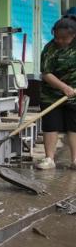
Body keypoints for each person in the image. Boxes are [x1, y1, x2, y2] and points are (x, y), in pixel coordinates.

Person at [36, 14, 76, 170]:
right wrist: (63, 87)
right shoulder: (49, 49)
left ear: (73, 35)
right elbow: (46, 73)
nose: (59, 41)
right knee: (51, 125)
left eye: (64, 38)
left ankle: (75, 159)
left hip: (74, 95)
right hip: (51, 94)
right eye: (57, 37)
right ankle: (49, 159)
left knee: (74, 126)